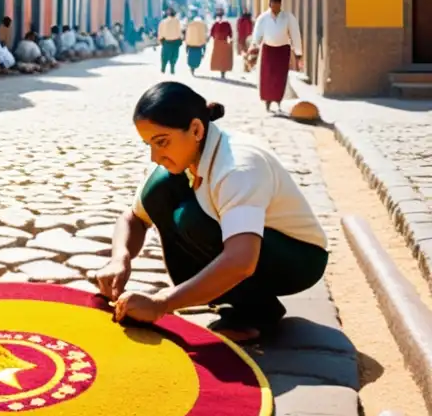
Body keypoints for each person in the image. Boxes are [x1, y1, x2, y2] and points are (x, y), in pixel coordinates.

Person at [93, 81, 328, 341]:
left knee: (192, 220)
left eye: (162, 142)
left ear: (195, 129)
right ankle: (229, 300)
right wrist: (120, 258)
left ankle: (257, 312)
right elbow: (133, 218)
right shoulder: (186, 158)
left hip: (298, 258)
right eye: (149, 144)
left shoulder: (237, 167)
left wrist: (161, 303)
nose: (154, 156)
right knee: (157, 191)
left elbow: (241, 261)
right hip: (254, 249)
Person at [251, 0, 302, 113]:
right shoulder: (263, 18)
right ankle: (267, 102)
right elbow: (257, 34)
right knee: (267, 77)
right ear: (270, 5)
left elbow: (295, 33)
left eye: (278, 5)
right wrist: (254, 46)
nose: (275, 7)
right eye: (273, 5)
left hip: (283, 51)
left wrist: (298, 51)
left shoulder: (288, 17)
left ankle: (278, 100)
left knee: (280, 77)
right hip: (268, 50)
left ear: (280, 5)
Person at [209, 9, 234, 79]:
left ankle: (222, 72)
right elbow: (230, 33)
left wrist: (215, 38)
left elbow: (212, 33)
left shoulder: (216, 23)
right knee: (223, 58)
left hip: (218, 42)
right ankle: (223, 72)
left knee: (220, 57)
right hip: (223, 42)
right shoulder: (226, 23)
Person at [157, 9, 182, 74]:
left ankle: (163, 68)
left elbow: (160, 32)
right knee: (174, 56)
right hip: (175, 41)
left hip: (166, 41)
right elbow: (179, 31)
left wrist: (160, 39)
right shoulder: (177, 21)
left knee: (164, 56)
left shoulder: (163, 21)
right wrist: (180, 39)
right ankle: (172, 69)